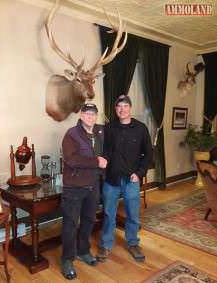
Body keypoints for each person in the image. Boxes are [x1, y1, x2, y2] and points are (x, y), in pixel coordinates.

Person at [97, 95, 153, 262]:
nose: (122, 109)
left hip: (131, 180)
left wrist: (140, 173)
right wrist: (103, 160)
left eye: (125, 106)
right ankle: (106, 244)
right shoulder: (109, 128)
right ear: (116, 110)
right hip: (111, 179)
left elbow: (149, 153)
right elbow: (105, 151)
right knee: (108, 214)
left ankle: (133, 243)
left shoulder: (141, 128)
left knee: (132, 214)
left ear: (130, 108)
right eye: (119, 106)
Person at [61, 103, 107, 280]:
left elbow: (108, 150)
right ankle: (67, 259)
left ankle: (83, 251)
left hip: (93, 185)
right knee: (70, 224)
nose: (90, 117)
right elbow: (71, 159)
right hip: (74, 187)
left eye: (93, 114)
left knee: (88, 220)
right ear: (81, 115)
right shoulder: (72, 134)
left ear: (96, 116)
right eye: (87, 114)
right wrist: (97, 161)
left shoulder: (99, 132)